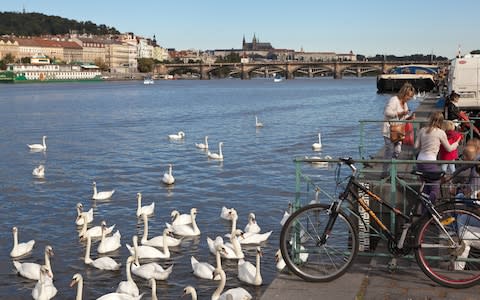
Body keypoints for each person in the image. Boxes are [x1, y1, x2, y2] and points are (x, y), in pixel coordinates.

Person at [415, 112, 461, 204]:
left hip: (420, 161)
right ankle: (429, 209)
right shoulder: (440, 133)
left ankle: (425, 211)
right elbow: (449, 148)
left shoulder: (422, 130)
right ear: (441, 121)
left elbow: (416, 146)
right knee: (435, 188)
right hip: (430, 162)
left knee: (426, 187)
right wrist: (456, 143)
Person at [382, 82, 416, 177]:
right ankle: (385, 173)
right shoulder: (394, 100)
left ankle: (392, 171)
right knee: (389, 151)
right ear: (404, 93)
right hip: (389, 130)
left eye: (411, 96)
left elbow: (403, 118)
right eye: (409, 96)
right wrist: (399, 114)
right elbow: (387, 112)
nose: (409, 98)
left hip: (399, 131)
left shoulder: (405, 104)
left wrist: (409, 118)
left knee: (397, 150)